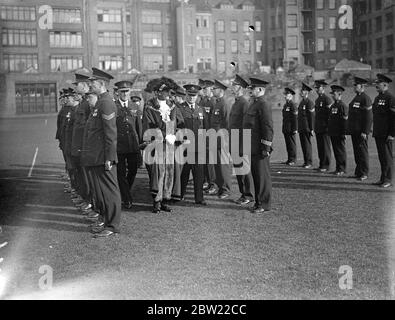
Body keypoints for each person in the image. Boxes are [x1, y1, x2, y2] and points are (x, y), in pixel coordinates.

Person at [84, 67, 122, 238]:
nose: (90, 85)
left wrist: (110, 157)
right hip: (96, 156)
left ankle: (112, 225)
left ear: (101, 84)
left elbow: (110, 133)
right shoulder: (100, 101)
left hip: (103, 157)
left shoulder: (106, 102)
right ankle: (107, 222)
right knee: (103, 191)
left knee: (109, 191)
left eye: (92, 83)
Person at [142, 77, 184, 213]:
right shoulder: (149, 106)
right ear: (157, 92)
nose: (166, 93)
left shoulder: (172, 106)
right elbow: (149, 126)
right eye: (163, 91)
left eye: (167, 91)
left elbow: (180, 123)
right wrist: (162, 135)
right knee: (158, 173)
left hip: (170, 144)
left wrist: (175, 135)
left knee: (169, 171)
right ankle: (157, 201)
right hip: (158, 144)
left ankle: (166, 199)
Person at [243, 78, 273, 214]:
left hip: (260, 148)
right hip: (252, 146)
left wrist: (266, 147)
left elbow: (267, 127)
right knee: (256, 176)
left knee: (262, 176)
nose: (250, 90)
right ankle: (258, 202)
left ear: (260, 90)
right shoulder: (254, 104)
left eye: (252, 88)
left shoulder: (263, 104)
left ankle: (264, 203)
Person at [114, 80, 143, 210]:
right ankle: (127, 198)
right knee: (120, 172)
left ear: (130, 92)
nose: (125, 94)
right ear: (118, 93)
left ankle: (125, 190)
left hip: (132, 145)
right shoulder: (113, 106)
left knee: (133, 170)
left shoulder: (135, 106)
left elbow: (139, 127)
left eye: (127, 91)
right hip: (119, 146)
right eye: (122, 92)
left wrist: (141, 144)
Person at [178, 84, 207, 205]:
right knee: (184, 173)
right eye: (189, 95)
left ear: (197, 97)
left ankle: (199, 198)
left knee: (199, 174)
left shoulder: (201, 110)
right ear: (186, 95)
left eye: (194, 96)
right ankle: (180, 195)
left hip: (198, 148)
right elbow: (175, 127)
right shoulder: (179, 108)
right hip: (184, 147)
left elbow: (205, 128)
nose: (191, 98)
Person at [229, 74, 254, 205]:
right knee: (239, 170)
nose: (232, 87)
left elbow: (247, 125)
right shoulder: (236, 102)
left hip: (241, 142)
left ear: (240, 88)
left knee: (243, 169)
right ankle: (243, 193)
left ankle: (248, 194)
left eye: (234, 85)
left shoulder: (244, 103)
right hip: (235, 141)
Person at [71, 73, 92, 211]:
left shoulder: (87, 103)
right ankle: (87, 199)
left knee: (87, 177)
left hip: (85, 146)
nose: (76, 87)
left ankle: (90, 201)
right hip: (79, 145)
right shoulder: (83, 103)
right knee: (83, 175)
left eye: (77, 84)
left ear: (84, 86)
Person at [372, 73, 395, 188]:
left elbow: (393, 118)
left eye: (378, 83)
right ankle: (383, 178)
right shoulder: (377, 98)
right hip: (378, 132)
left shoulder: (390, 98)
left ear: (385, 84)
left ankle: (388, 179)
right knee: (382, 157)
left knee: (387, 157)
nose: (376, 85)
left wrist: (392, 134)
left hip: (387, 133)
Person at [347, 77, 373, 181]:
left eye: (356, 85)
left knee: (363, 152)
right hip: (355, 130)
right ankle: (358, 172)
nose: (354, 87)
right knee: (357, 152)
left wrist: (365, 131)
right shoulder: (356, 98)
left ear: (362, 86)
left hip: (361, 131)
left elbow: (368, 117)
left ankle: (364, 173)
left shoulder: (365, 98)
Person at [211, 79, 232, 199]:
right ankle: (220, 188)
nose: (213, 90)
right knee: (217, 166)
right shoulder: (217, 103)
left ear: (221, 90)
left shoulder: (224, 104)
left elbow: (228, 124)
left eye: (214, 88)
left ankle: (226, 189)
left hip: (222, 141)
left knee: (223, 166)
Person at [200, 80, 217, 195]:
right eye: (204, 88)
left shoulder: (214, 102)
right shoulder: (203, 101)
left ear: (211, 89)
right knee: (205, 160)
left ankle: (213, 184)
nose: (204, 90)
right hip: (203, 134)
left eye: (206, 89)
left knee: (211, 162)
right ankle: (207, 181)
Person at [328, 85, 349, 176]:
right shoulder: (333, 105)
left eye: (334, 94)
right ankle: (338, 168)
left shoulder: (342, 106)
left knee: (340, 151)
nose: (332, 95)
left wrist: (344, 133)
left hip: (340, 132)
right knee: (336, 151)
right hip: (333, 132)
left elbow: (344, 121)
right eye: (332, 94)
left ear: (339, 94)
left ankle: (342, 169)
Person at [314, 80, 333, 173]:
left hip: (325, 128)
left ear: (323, 88)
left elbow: (330, 115)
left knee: (325, 148)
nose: (317, 89)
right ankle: (321, 164)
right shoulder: (317, 100)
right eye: (316, 88)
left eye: (318, 88)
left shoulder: (327, 99)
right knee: (320, 147)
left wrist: (328, 127)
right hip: (318, 127)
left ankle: (326, 165)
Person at [298, 83, 315, 169]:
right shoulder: (302, 102)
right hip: (301, 128)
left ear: (307, 92)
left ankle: (309, 162)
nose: (301, 92)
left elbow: (311, 117)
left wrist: (311, 128)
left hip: (307, 128)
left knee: (307, 145)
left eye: (303, 90)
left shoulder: (309, 103)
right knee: (303, 145)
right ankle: (305, 161)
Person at [282, 87, 298, 166]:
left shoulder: (292, 105)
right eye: (285, 94)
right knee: (288, 144)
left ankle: (293, 159)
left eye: (286, 94)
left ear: (291, 95)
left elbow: (295, 118)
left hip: (291, 128)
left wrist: (295, 128)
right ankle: (289, 159)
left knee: (292, 145)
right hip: (286, 128)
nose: (285, 96)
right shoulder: (286, 105)